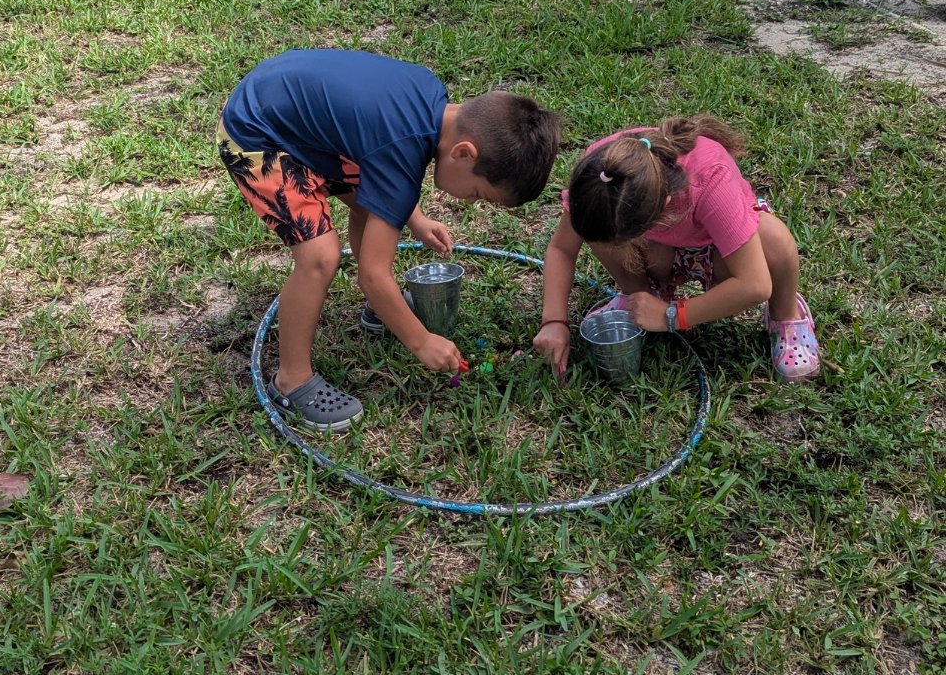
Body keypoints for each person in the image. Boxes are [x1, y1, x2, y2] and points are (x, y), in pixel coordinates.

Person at [218, 49, 562, 431]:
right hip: (258, 132)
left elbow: (379, 159)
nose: (468, 201)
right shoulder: (401, 151)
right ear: (465, 153)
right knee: (320, 257)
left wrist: (412, 218)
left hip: (289, 105)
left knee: (368, 197)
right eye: (477, 194)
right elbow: (373, 274)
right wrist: (421, 341)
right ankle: (291, 380)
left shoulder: (432, 98)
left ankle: (380, 312)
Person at [533, 116, 820, 383]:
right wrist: (554, 321)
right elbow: (561, 249)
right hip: (662, 249)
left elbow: (755, 285)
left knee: (773, 241)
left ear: (665, 205)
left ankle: (786, 316)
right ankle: (641, 296)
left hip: (720, 253)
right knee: (599, 228)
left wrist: (671, 315)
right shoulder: (599, 178)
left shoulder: (710, 180)